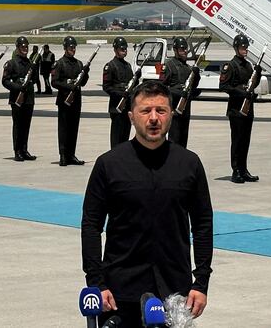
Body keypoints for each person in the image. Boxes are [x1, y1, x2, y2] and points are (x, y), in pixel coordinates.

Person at [81, 80, 213, 328]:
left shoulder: (189, 164)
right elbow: (91, 225)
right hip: (120, 293)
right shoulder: (109, 164)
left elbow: (203, 224)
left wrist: (201, 283)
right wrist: (96, 283)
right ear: (132, 117)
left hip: (175, 292)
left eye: (161, 111)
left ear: (171, 115)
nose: (154, 118)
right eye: (145, 111)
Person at [218, 34, 260, 183]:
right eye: (243, 47)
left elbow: (252, 84)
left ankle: (243, 169)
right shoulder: (230, 66)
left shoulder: (248, 65)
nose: (245, 50)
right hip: (236, 109)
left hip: (248, 108)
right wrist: (241, 92)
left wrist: (258, 73)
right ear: (236, 48)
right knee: (237, 140)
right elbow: (224, 86)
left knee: (245, 140)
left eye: (246, 47)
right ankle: (236, 170)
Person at [51, 36, 90, 166]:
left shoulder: (78, 63)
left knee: (74, 128)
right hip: (64, 100)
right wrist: (69, 86)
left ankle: (71, 155)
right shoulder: (59, 63)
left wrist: (86, 73)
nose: (73, 49)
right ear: (65, 48)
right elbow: (54, 82)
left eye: (74, 47)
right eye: (70, 47)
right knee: (63, 128)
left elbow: (82, 83)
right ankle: (63, 155)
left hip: (76, 101)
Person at [2, 36, 38, 162]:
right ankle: (17, 151)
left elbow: (34, 80)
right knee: (18, 126)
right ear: (17, 48)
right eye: (23, 47)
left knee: (26, 126)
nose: (25, 49)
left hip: (28, 99)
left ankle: (24, 150)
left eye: (26, 47)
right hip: (17, 98)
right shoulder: (12, 63)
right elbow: (5, 81)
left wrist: (35, 69)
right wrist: (18, 87)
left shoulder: (30, 63)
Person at [161, 36, 200, 148]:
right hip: (174, 108)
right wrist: (177, 92)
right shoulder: (169, 65)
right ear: (175, 50)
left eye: (186, 49)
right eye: (182, 49)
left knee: (183, 139)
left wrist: (196, 75)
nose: (185, 51)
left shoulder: (188, 68)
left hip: (185, 108)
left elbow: (193, 86)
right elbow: (163, 88)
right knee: (174, 138)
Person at [102, 36, 139, 148]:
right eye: (122, 49)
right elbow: (107, 87)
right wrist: (120, 93)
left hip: (127, 106)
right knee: (116, 138)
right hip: (116, 106)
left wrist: (137, 78)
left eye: (125, 49)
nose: (124, 51)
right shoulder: (110, 66)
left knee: (125, 136)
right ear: (115, 50)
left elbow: (132, 84)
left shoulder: (127, 66)